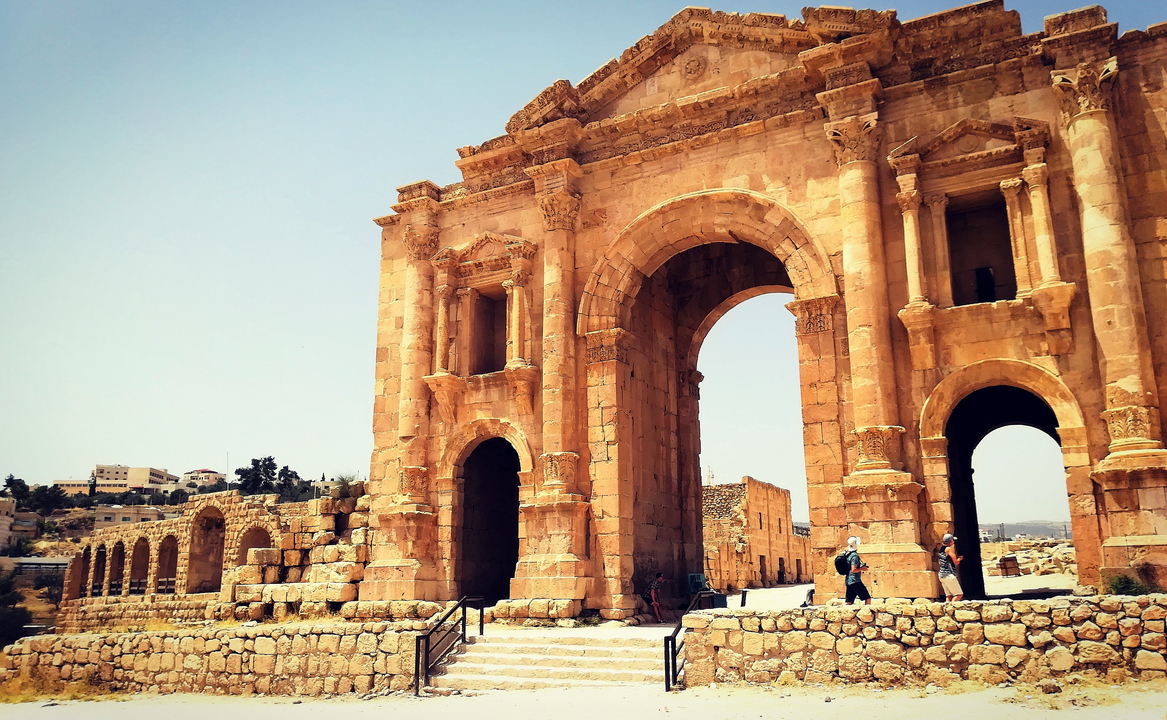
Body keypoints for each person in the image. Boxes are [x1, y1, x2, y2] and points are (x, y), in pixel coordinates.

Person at [844, 536, 871, 605]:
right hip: (855, 580)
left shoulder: (847, 554)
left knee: (849, 602)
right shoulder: (854, 555)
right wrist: (863, 568)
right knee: (867, 598)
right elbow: (854, 570)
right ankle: (867, 611)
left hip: (848, 581)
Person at [939, 532, 964, 601]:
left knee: (949, 596)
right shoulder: (949, 549)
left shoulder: (941, 549)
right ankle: (952, 607)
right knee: (959, 594)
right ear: (950, 541)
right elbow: (956, 562)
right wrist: (960, 559)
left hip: (941, 574)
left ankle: (947, 608)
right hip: (948, 574)